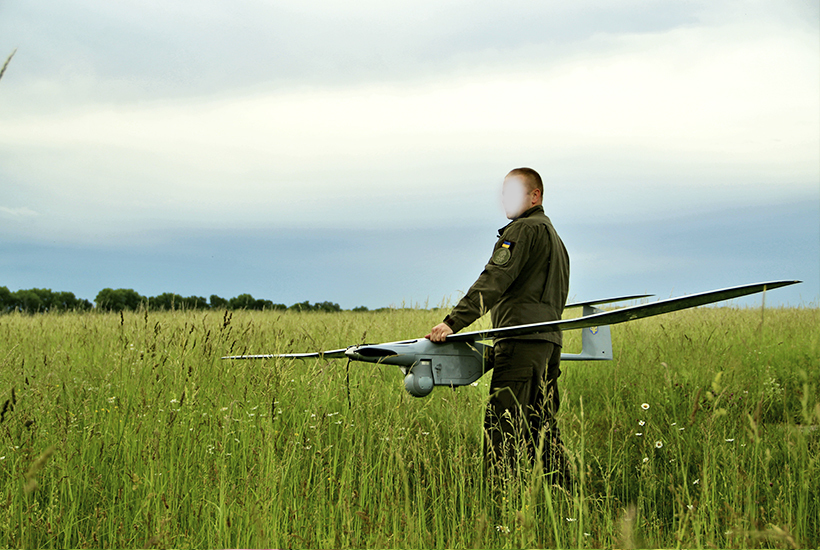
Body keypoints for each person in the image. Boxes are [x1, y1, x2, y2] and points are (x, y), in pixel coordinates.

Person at [426, 167, 570, 484]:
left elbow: (494, 280)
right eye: (504, 192)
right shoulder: (555, 238)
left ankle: (498, 511)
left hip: (520, 344)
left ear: (535, 196)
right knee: (541, 429)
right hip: (548, 345)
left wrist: (453, 322)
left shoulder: (521, 231)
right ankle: (565, 504)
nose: (506, 198)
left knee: (501, 429)